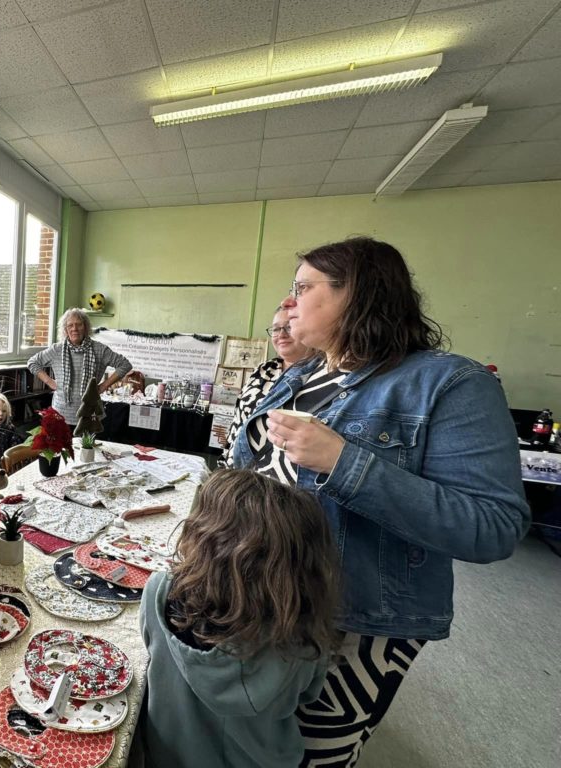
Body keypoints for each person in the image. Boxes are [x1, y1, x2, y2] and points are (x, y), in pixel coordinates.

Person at [228, 236, 530, 767]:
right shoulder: (299, 375)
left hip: (352, 619)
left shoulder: (451, 383)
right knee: (249, 742)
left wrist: (344, 461)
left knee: (310, 755)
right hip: (260, 597)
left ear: (359, 294)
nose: (289, 301)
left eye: (303, 288)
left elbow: (493, 526)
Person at [140, 469, 339, 768]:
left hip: (166, 755)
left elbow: (148, 646)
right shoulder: (304, 630)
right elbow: (307, 695)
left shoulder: (159, 590)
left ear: (202, 534)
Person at [218, 307, 314, 464]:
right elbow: (238, 422)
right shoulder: (263, 370)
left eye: (289, 327)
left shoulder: (321, 376)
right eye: (276, 329)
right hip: (237, 469)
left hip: (276, 478)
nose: (281, 334)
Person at [26, 307, 132, 425]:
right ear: (65, 330)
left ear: (85, 327)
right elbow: (32, 362)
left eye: (79, 325)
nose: (74, 329)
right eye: (70, 325)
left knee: (87, 444)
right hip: (60, 413)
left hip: (90, 414)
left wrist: (103, 386)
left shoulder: (99, 349)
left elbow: (125, 365)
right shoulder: (57, 350)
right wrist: (49, 381)